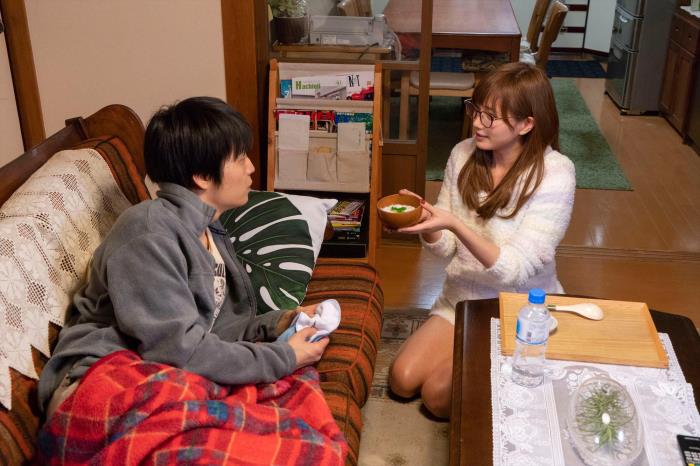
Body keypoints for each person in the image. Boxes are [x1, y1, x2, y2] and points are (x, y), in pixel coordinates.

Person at [38, 96, 329, 418]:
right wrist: (284, 357)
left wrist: (279, 322)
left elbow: (214, 332)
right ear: (203, 175)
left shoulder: (209, 230)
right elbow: (177, 349)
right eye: (240, 158)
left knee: (293, 411)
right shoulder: (149, 233)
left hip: (159, 371)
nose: (251, 167)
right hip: (98, 380)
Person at [388, 62, 576, 418]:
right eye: (475, 110)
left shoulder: (556, 173)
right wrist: (428, 222)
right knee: (402, 380)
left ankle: (525, 376)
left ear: (526, 124)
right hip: (461, 300)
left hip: (518, 309)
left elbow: (515, 269)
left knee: (437, 397)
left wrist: (457, 226)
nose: (477, 122)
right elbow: (444, 247)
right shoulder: (462, 154)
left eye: (490, 117)